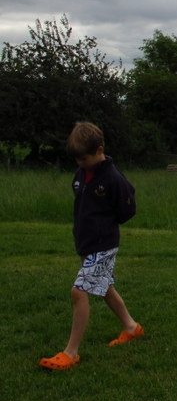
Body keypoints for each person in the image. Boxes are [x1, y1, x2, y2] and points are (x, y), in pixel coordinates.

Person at [39, 122, 143, 371]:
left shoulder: (113, 178)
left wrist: (104, 227)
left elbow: (127, 209)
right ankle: (131, 327)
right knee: (104, 287)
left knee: (79, 291)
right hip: (87, 244)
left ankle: (71, 353)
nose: (80, 163)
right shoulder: (82, 174)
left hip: (103, 244)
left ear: (99, 150)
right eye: (76, 159)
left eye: (84, 158)